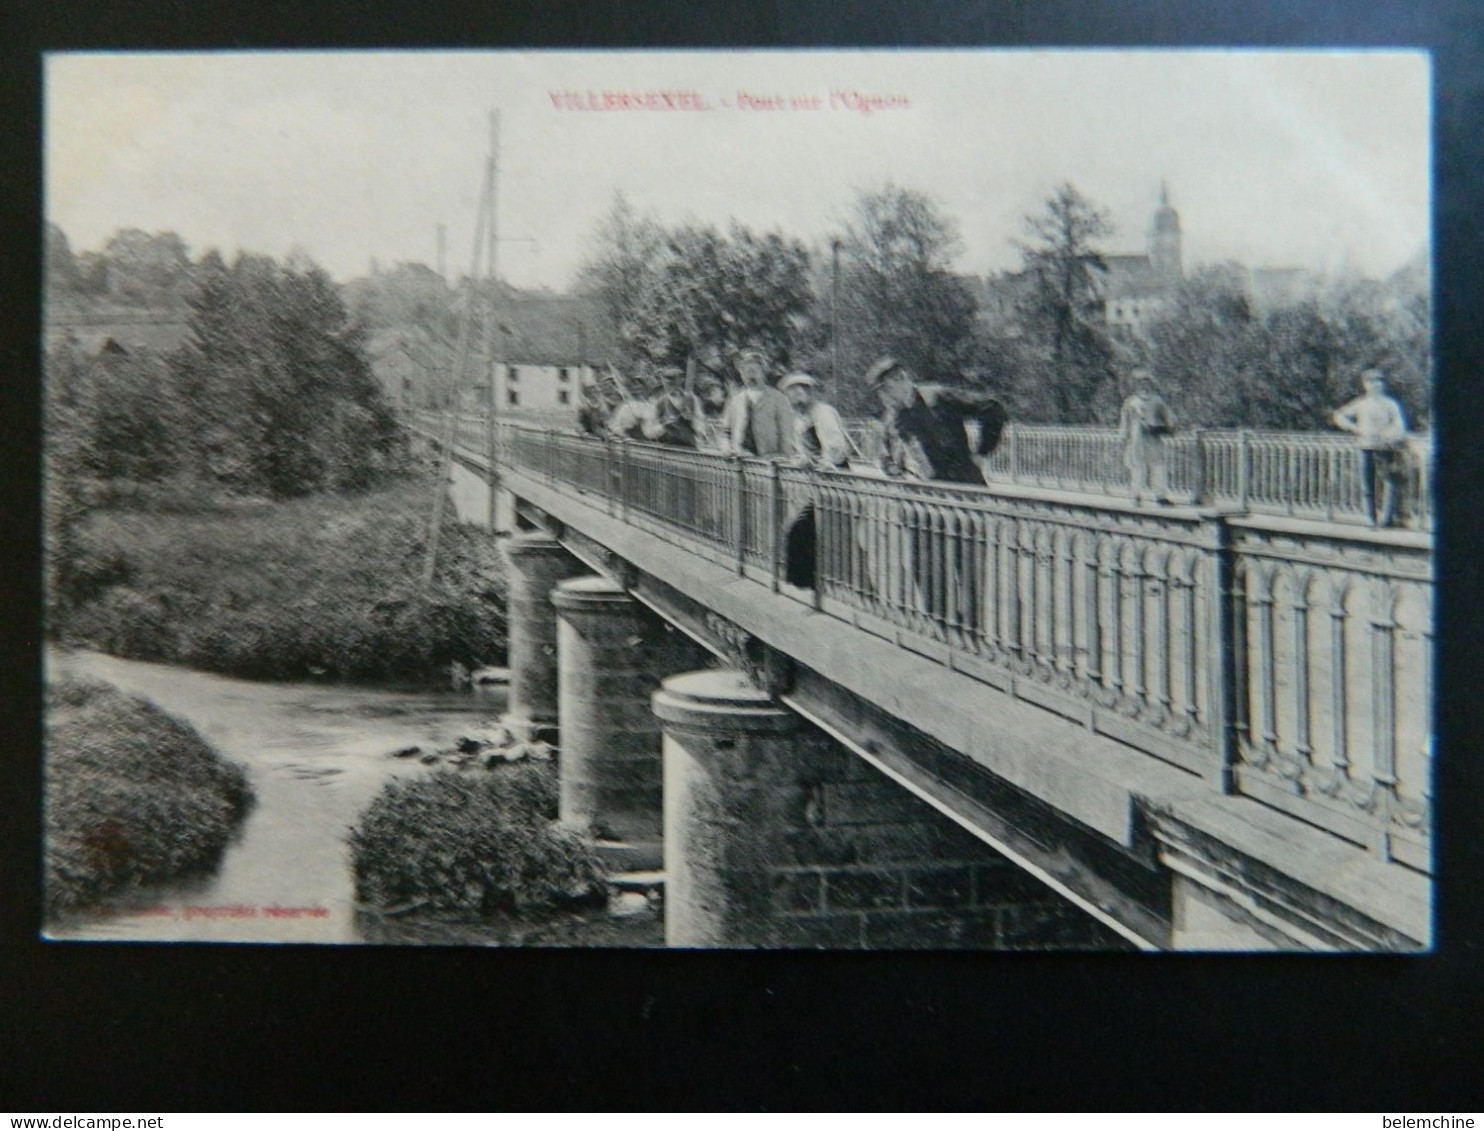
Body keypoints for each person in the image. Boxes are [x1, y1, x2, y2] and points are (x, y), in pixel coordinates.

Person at [865, 356, 1007, 485]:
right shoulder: (891, 418)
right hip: (923, 501)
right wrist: (890, 467)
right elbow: (885, 454)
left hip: (962, 491)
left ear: (901, 379)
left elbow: (992, 410)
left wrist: (981, 453)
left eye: (885, 389)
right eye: (879, 393)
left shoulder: (937, 398)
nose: (882, 397)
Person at [1331, 368, 1409, 527]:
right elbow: (1339, 416)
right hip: (1365, 446)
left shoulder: (1390, 404)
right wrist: (1354, 428)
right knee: (1367, 483)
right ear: (1365, 385)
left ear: (1383, 385)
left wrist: (1390, 434)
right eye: (1371, 383)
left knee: (1389, 483)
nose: (1375, 386)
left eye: (1379, 382)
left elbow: (1399, 424)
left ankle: (1387, 519)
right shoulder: (1361, 404)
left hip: (1385, 448)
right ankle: (1370, 518)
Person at [724, 349, 795, 458]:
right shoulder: (735, 400)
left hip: (770, 460)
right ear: (742, 374)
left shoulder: (778, 398)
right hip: (741, 460)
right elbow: (725, 432)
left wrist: (784, 457)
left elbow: (786, 433)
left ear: (763, 372)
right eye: (746, 372)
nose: (750, 376)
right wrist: (727, 448)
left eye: (754, 371)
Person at [1118, 369, 1176, 504]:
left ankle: (1160, 496)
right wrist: (1123, 438)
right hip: (1136, 439)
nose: (1144, 386)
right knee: (1137, 468)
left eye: (1146, 383)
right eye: (1140, 383)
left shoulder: (1156, 401)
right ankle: (1135, 495)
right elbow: (1124, 422)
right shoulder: (1130, 402)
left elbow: (1169, 417)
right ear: (1135, 385)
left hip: (1153, 438)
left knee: (1157, 466)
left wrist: (1168, 427)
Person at [779, 372, 852, 469]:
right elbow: (802, 450)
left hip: (833, 475)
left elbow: (835, 447)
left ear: (809, 392)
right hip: (811, 475)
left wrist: (825, 462)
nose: (799, 392)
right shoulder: (798, 418)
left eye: (803, 388)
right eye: (791, 391)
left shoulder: (822, 412)